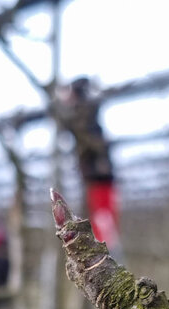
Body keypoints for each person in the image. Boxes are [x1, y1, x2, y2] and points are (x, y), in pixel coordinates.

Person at [59, 77, 122, 255]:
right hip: (95, 174)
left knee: (103, 219)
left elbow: (73, 125)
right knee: (100, 218)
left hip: (98, 175)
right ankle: (105, 247)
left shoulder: (84, 114)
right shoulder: (84, 115)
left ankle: (107, 249)